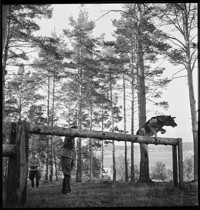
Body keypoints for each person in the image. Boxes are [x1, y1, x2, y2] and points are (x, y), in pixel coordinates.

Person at [59, 126, 77, 194]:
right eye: (75, 130)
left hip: (70, 156)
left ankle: (64, 190)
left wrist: (74, 159)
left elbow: (73, 149)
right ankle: (67, 190)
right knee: (67, 174)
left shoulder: (73, 138)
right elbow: (70, 144)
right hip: (66, 155)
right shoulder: (68, 134)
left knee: (67, 174)